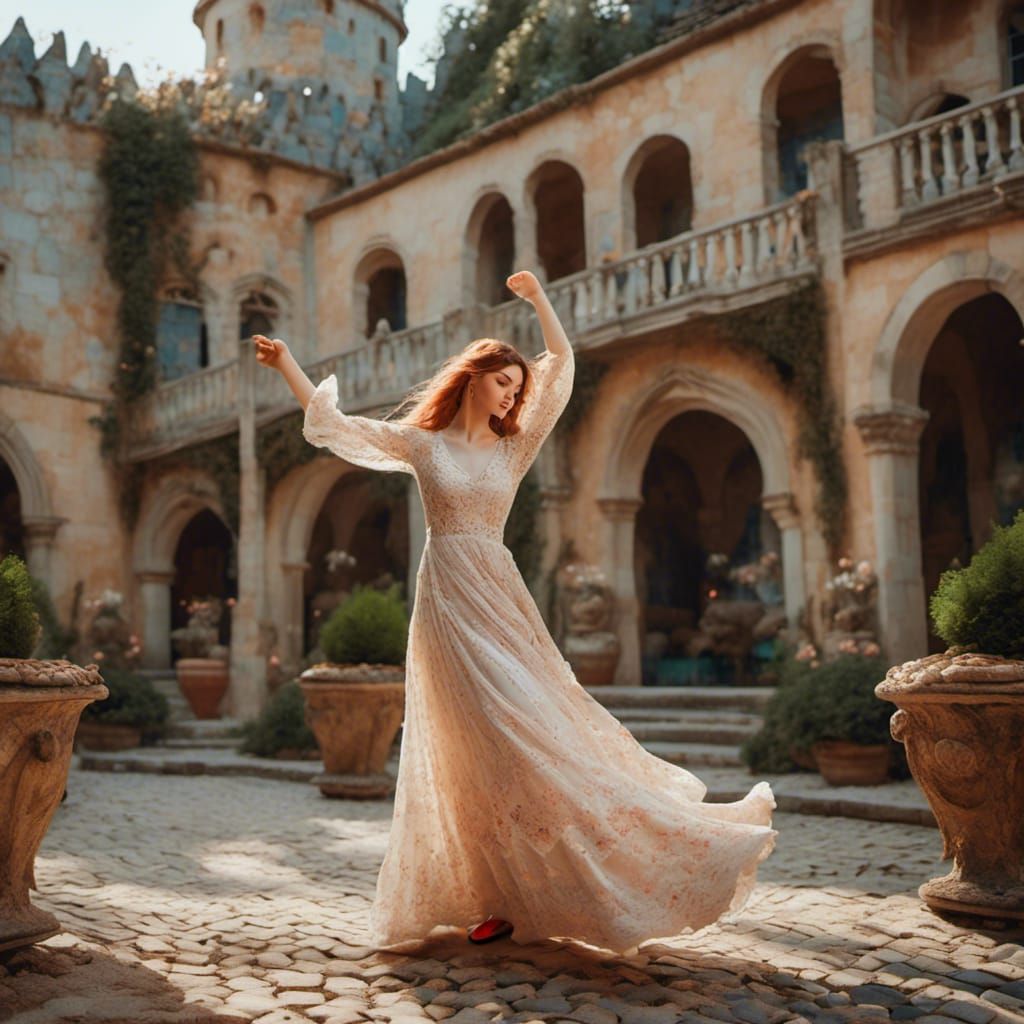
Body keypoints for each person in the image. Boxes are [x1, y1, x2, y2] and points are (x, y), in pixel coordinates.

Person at [253, 269, 777, 954]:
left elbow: (564, 365)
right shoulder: (424, 444)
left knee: (532, 727)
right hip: (444, 599)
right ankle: (492, 897)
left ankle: (635, 854)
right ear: (474, 377)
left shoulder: (515, 446)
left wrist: (537, 301)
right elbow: (340, 430)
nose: (512, 394)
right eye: (504, 382)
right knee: (470, 750)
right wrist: (287, 362)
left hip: (497, 596)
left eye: (517, 388)